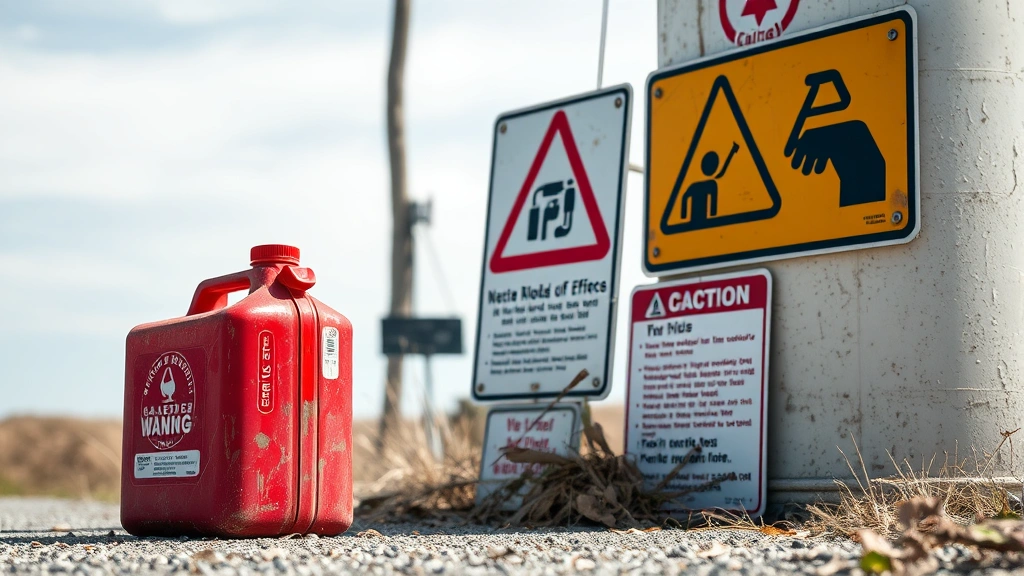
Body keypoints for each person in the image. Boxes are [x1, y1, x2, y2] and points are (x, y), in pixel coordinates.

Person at [681, 151, 721, 224]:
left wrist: (684, 215)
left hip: (697, 220)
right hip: (697, 220)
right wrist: (713, 214)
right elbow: (685, 197)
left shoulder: (695, 186)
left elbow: (685, 197)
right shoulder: (711, 185)